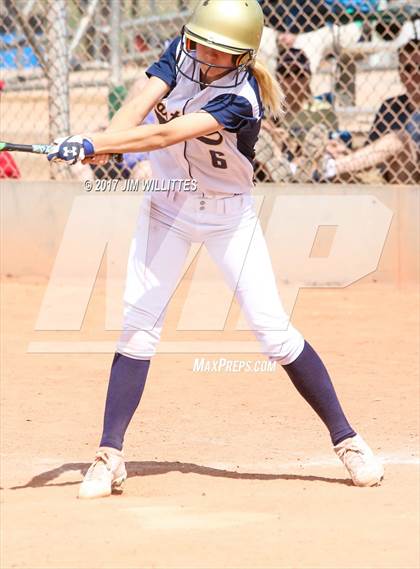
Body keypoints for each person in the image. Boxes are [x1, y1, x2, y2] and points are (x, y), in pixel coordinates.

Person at [47, 0, 384, 498]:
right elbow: (140, 104)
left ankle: (348, 440)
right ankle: (108, 454)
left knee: (274, 333)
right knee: (138, 326)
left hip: (228, 219)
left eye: (218, 50)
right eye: (200, 41)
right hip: (167, 208)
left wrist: (98, 144)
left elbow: (165, 133)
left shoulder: (242, 98)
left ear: (242, 58)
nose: (203, 53)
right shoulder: (181, 53)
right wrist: (97, 140)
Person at [255, 48, 351, 183]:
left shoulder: (323, 109)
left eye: (298, 73)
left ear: (308, 77)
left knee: (326, 149)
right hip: (281, 155)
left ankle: (296, 169)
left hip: (313, 158)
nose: (293, 80)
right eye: (286, 73)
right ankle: (289, 169)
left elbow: (332, 142)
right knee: (263, 141)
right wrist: (273, 134)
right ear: (278, 77)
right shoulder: (268, 109)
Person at [366, 38, 419, 184]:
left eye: (419, 67)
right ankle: (330, 165)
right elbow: (371, 150)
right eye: (408, 68)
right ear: (400, 75)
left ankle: (332, 167)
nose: (415, 74)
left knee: (399, 140)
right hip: (393, 177)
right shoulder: (391, 107)